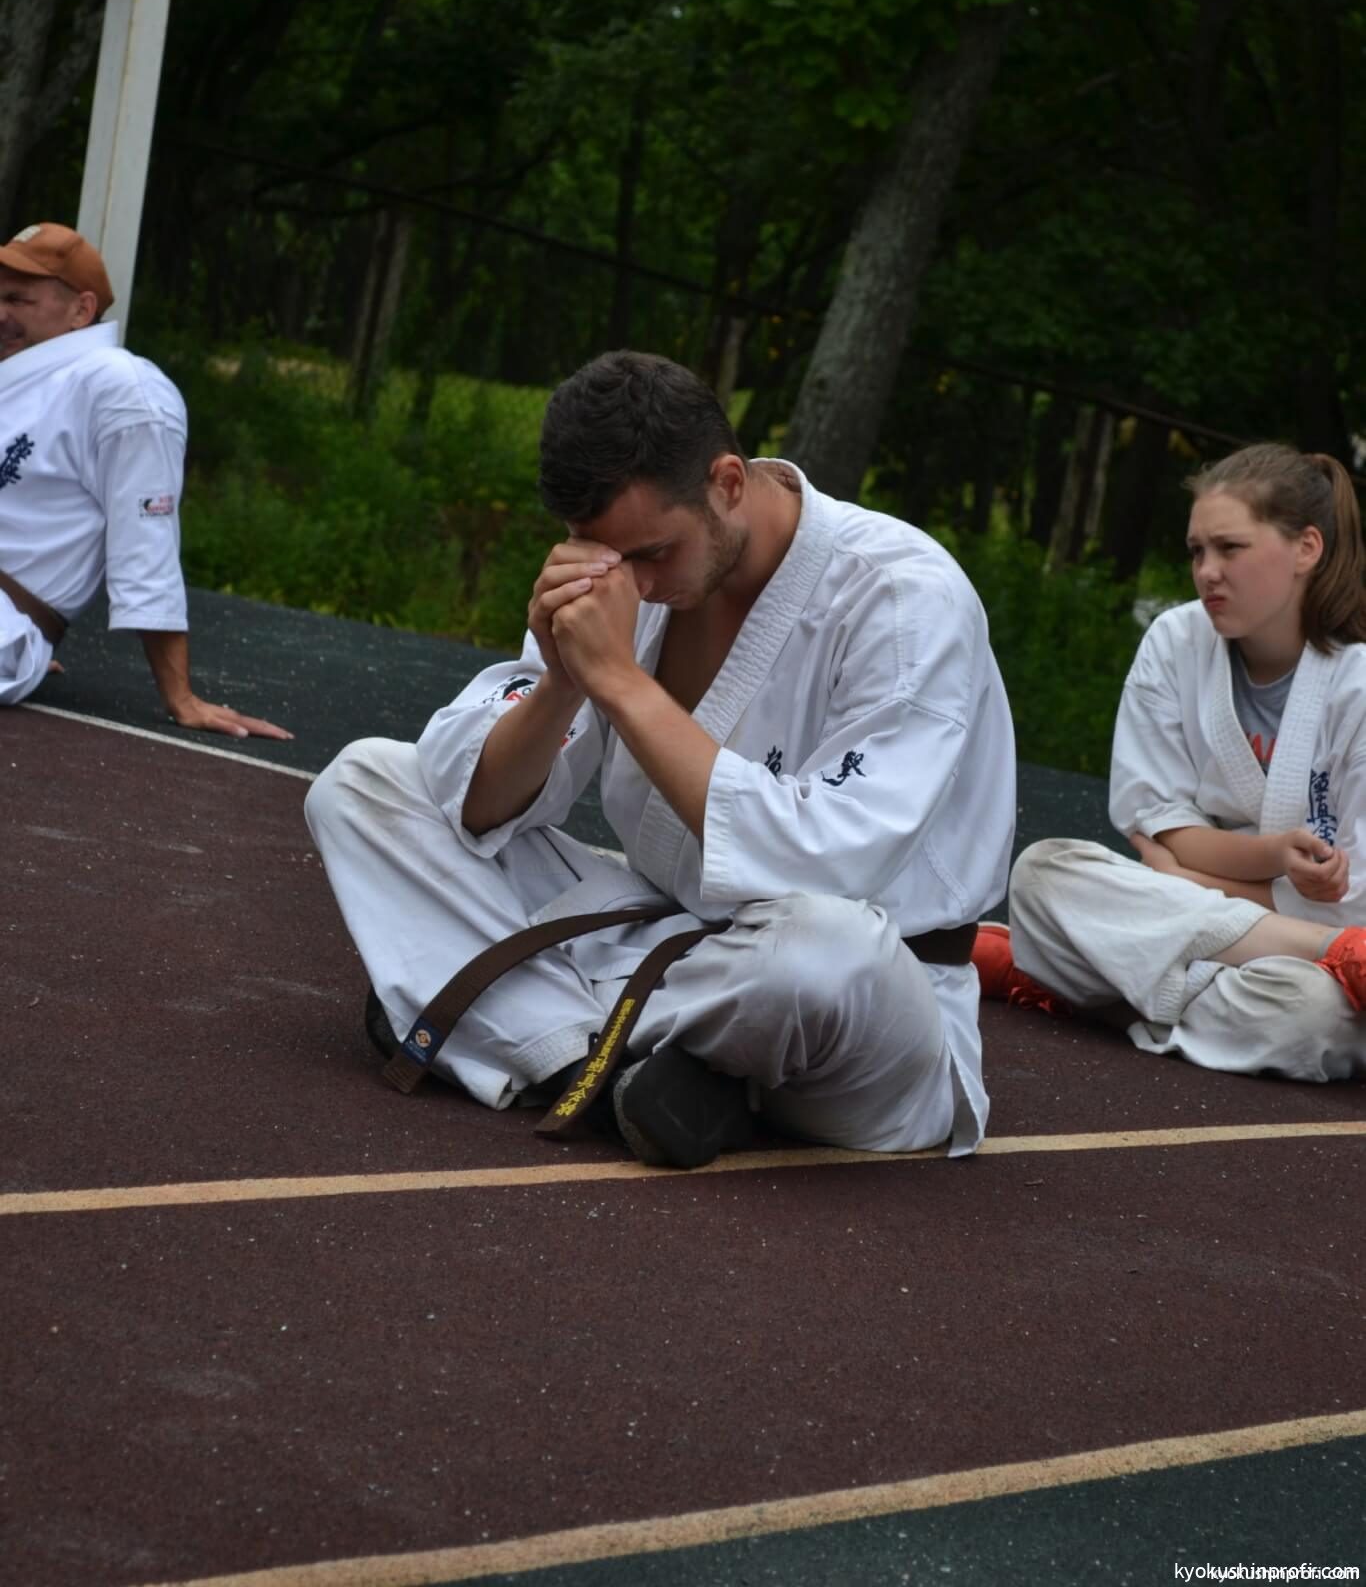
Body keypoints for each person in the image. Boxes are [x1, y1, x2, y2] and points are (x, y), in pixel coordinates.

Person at [306, 350, 1016, 1169]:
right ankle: (609, 1072)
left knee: (824, 952)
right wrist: (563, 682)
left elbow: (828, 863)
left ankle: (497, 1018)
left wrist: (620, 681)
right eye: (604, 556)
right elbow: (472, 804)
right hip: (657, 938)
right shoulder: (629, 565)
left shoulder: (903, 599)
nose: (633, 586)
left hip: (854, 1005)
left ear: (727, 483)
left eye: (652, 553)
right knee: (363, 784)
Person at [980, 443, 1366, 1080]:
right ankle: (1163, 986)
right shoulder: (1175, 642)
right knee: (1043, 871)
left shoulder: (1355, 684)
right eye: (1196, 551)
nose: (1207, 571)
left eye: (1230, 548)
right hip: (1304, 941)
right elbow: (1163, 826)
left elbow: (1349, 904)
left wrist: (1182, 878)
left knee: (1311, 1014)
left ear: (1307, 548)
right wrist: (1270, 867)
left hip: (1278, 957)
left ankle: (1074, 987)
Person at [0, 221, 291, 740]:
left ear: (81, 311)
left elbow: (146, 545)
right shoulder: (22, 379)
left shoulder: (124, 390)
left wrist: (180, 695)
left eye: (18, 299)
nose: (1, 313)